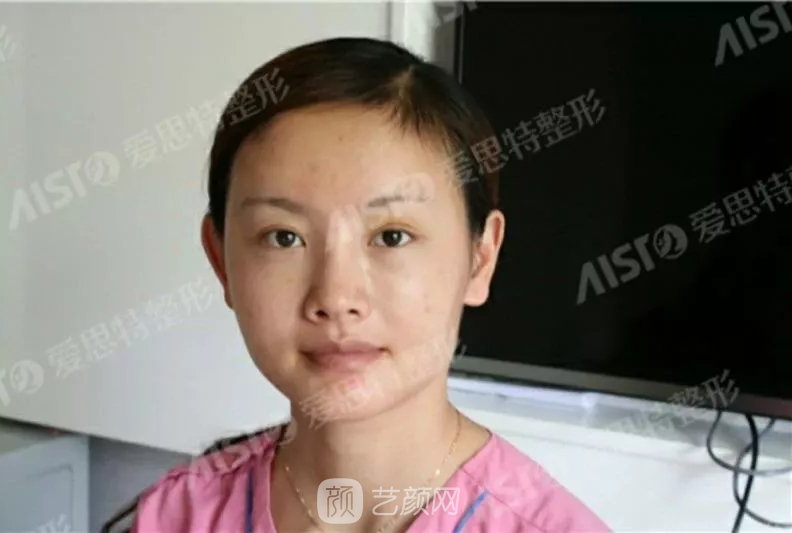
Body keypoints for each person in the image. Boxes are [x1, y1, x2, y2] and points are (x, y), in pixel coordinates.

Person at [102, 36, 610, 533]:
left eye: (392, 236)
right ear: (221, 262)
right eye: (284, 237)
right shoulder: (175, 515)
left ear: (479, 259)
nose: (335, 298)